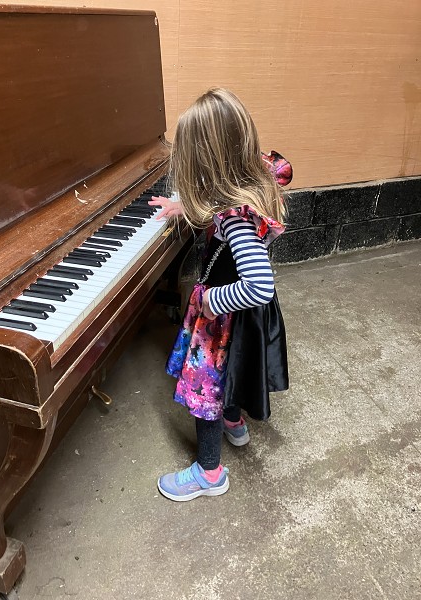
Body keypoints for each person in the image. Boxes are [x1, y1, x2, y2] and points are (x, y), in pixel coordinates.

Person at [148, 88, 291, 502]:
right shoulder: (254, 176)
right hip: (246, 319)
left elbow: (259, 285)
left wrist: (211, 302)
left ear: (209, 162)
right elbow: (216, 198)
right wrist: (183, 206)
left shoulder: (235, 219)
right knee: (234, 370)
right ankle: (234, 420)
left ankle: (209, 473)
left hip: (225, 314)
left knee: (205, 388)